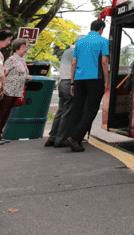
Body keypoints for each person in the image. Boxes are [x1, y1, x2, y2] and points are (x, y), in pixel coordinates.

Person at [65, 20, 109, 152]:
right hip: (95, 78)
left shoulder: (80, 42)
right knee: (92, 109)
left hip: (79, 79)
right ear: (101, 28)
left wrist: (72, 82)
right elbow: (104, 61)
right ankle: (75, 138)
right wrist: (106, 80)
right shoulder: (103, 41)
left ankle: (74, 139)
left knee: (77, 109)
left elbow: (74, 63)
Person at [0, 39, 31, 144]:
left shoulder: (21, 60)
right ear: (16, 48)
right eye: (24, 47)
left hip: (16, 91)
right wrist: (2, 85)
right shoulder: (12, 59)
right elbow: (4, 72)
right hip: (8, 90)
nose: (26, 49)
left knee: (6, 113)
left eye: (27, 47)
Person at [45, 42, 74, 147]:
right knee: (67, 113)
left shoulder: (67, 51)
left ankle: (52, 138)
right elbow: (74, 66)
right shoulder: (76, 51)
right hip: (69, 82)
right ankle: (60, 140)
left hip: (62, 82)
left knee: (60, 111)